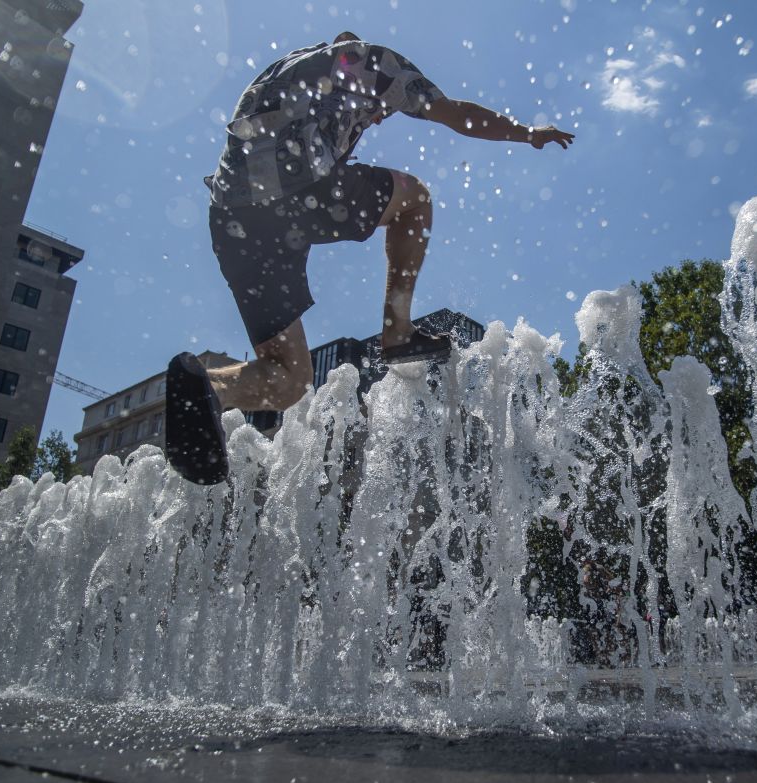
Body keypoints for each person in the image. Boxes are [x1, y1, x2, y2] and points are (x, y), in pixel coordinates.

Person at [166, 32, 574, 485]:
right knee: (415, 199)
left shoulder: (284, 71)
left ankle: (205, 389)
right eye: (381, 110)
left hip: (235, 220)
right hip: (295, 188)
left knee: (289, 380)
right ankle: (397, 331)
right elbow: (456, 114)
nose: (379, 119)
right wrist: (527, 133)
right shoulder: (367, 60)